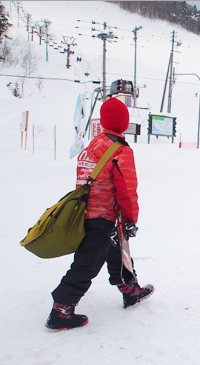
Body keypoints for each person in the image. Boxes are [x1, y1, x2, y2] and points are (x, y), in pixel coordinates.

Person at [47, 97, 154, 330]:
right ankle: (62, 307)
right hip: (105, 215)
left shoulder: (93, 145)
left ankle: (130, 289)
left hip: (87, 213)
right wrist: (130, 219)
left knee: (116, 251)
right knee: (88, 262)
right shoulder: (120, 150)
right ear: (124, 122)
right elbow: (126, 188)